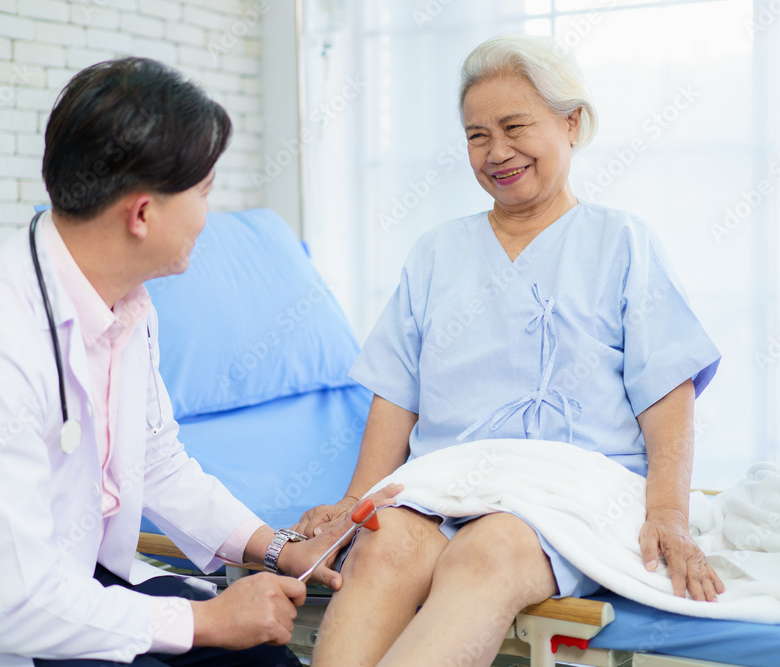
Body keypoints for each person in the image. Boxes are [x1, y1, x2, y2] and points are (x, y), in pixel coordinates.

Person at [0, 57, 397, 667]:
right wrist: (205, 620)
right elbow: (4, 605)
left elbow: (155, 460)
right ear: (142, 214)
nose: (208, 215)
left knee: (262, 657)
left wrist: (277, 547)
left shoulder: (125, 304)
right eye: (203, 192)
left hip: (73, 586)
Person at [294, 34, 725, 666]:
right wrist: (354, 501)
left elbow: (667, 390)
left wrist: (667, 512)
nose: (497, 152)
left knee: (487, 551)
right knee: (383, 546)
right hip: (441, 483)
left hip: (570, 491)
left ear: (570, 122)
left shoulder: (622, 242)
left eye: (514, 127)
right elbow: (397, 394)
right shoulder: (436, 253)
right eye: (477, 136)